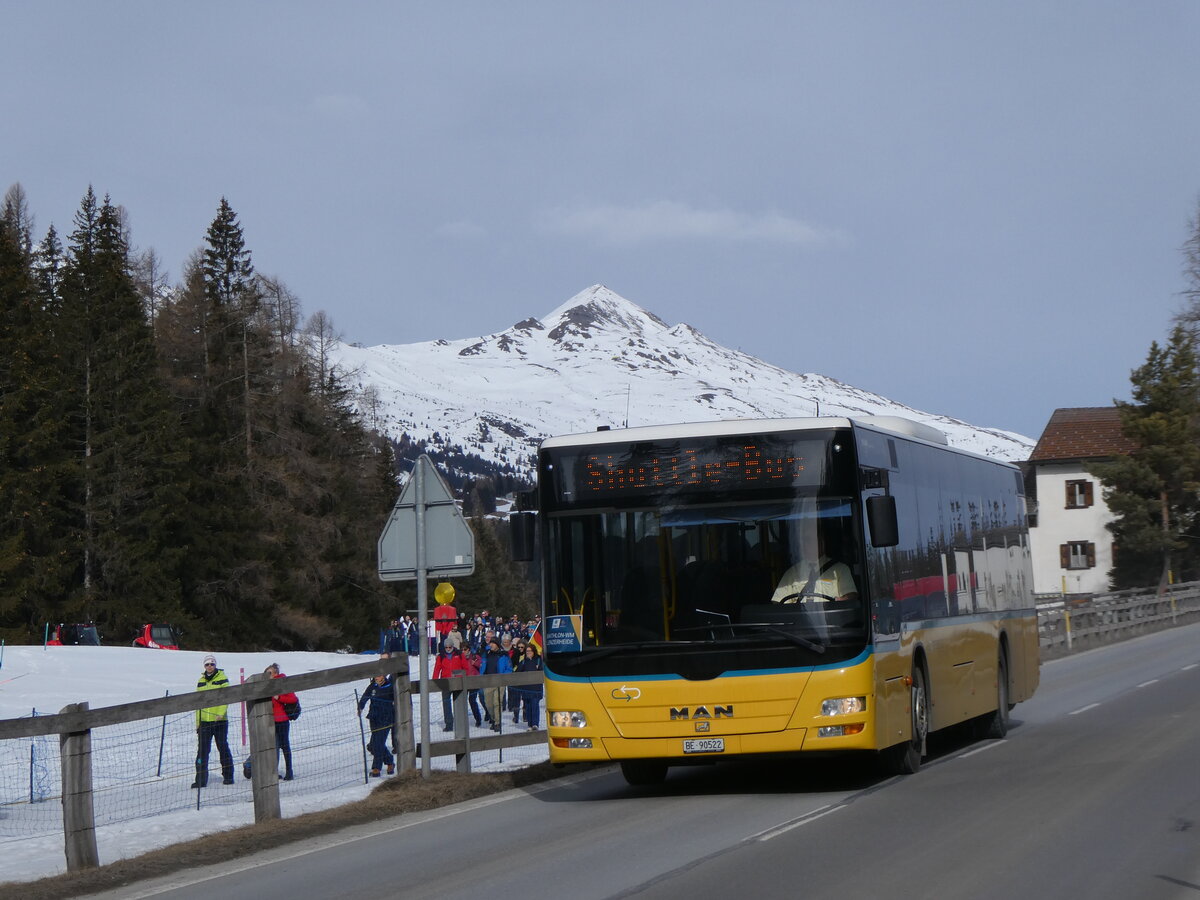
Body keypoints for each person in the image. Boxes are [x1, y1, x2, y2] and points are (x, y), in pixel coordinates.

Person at [769, 528, 858, 604]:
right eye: (807, 540)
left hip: (829, 620)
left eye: (815, 539)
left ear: (822, 542)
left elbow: (851, 597)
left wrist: (839, 601)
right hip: (799, 621)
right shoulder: (792, 572)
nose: (811, 543)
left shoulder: (840, 569)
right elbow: (777, 602)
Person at [193, 654, 235, 788]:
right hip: (205, 721)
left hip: (220, 721)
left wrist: (220, 714)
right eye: (207, 664)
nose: (210, 666)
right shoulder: (201, 681)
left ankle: (228, 775)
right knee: (202, 751)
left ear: (215, 665)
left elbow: (226, 697)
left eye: (212, 664)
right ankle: (200, 779)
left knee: (222, 747)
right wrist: (198, 722)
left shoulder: (222, 678)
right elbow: (198, 703)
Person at [357, 673, 396, 776]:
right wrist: (360, 707)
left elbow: (398, 701)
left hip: (386, 718)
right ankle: (390, 762)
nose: (376, 678)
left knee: (378, 743)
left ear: (383, 676)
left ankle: (376, 768)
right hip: (374, 717)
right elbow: (365, 696)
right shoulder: (372, 686)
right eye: (375, 676)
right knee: (375, 743)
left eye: (378, 676)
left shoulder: (390, 687)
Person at [265, 662, 297, 780]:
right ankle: (274, 772)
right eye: (266, 673)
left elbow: (293, 698)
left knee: (284, 745)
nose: (268, 675)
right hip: (270, 721)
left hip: (282, 720)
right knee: (273, 746)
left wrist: (279, 697)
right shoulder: (267, 684)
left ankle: (289, 771)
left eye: (270, 673)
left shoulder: (282, 683)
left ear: (276, 673)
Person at [478, 637, 512, 731]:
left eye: (493, 643)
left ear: (497, 644)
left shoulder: (504, 655)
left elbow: (509, 669)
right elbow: (482, 666)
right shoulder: (486, 654)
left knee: (497, 703)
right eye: (490, 644)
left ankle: (497, 722)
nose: (491, 645)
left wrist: (503, 678)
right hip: (488, 681)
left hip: (499, 681)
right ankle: (493, 719)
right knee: (488, 704)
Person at [431, 641, 465, 731]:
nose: (448, 649)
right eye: (446, 647)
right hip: (445, 682)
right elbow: (437, 668)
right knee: (446, 704)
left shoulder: (459, 654)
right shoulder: (441, 656)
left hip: (457, 681)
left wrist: (465, 678)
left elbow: (465, 667)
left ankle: (460, 723)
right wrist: (435, 681)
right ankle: (449, 724)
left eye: (450, 647)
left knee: (459, 703)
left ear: (453, 647)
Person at [515, 644, 544, 730]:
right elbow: (517, 672)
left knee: (534, 705)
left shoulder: (538, 660)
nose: (528, 653)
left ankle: (535, 724)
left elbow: (542, 671)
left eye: (529, 651)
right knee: (528, 706)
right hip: (526, 688)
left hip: (536, 688)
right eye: (527, 651)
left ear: (533, 651)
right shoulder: (523, 661)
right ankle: (530, 724)